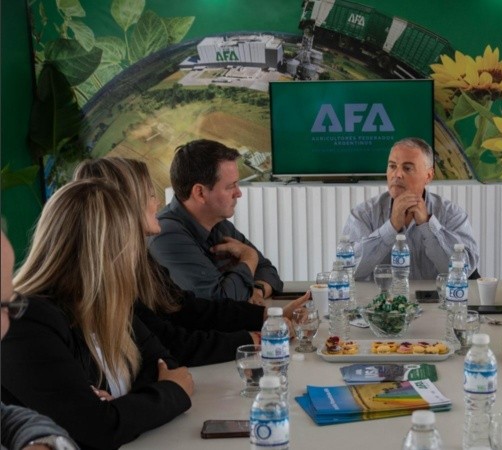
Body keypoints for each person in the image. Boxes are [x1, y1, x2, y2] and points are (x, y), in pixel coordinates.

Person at [1, 180, 194, 450]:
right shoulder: (28, 321)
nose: (137, 255)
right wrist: (169, 393)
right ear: (111, 252)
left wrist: (124, 408)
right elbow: (98, 429)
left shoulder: (108, 303)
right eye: (132, 243)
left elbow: (165, 363)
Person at [73, 157, 308, 366]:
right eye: (150, 195)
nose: (157, 203)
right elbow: (176, 339)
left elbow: (189, 307)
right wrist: (258, 337)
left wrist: (268, 316)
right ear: (123, 207)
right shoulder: (165, 237)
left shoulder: (216, 227)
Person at [148, 139, 283, 303]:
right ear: (200, 193)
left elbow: (268, 272)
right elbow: (220, 302)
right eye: (230, 186)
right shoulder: (166, 235)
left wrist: (257, 290)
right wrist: (249, 258)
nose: (238, 193)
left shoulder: (218, 224)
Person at [342, 137, 479, 280]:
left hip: (437, 295)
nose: (397, 175)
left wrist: (428, 226)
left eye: (407, 168)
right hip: (384, 295)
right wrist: (391, 227)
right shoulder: (364, 214)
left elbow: (466, 270)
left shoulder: (452, 214)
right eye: (392, 166)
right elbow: (348, 270)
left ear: (428, 175)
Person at [1, 231, 79, 450]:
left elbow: (9, 418)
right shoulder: (35, 323)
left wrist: (44, 443)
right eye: (5, 305)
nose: (8, 324)